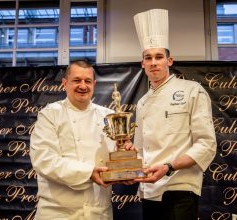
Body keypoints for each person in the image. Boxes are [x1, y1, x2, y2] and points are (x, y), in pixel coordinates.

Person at [132, 9, 217, 220]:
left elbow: (206, 144)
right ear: (142, 64)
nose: (153, 62)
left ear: (170, 61)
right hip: (149, 190)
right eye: (148, 58)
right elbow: (141, 148)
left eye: (159, 57)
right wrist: (129, 160)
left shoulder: (192, 90)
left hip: (180, 188)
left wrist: (169, 166)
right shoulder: (142, 102)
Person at [30, 60, 132, 220]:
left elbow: (114, 158)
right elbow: (44, 160)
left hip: (98, 211)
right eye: (76, 80)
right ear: (65, 83)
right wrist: (89, 172)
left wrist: (125, 157)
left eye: (87, 81)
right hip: (57, 212)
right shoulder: (50, 114)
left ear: (94, 84)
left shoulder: (109, 116)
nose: (83, 86)